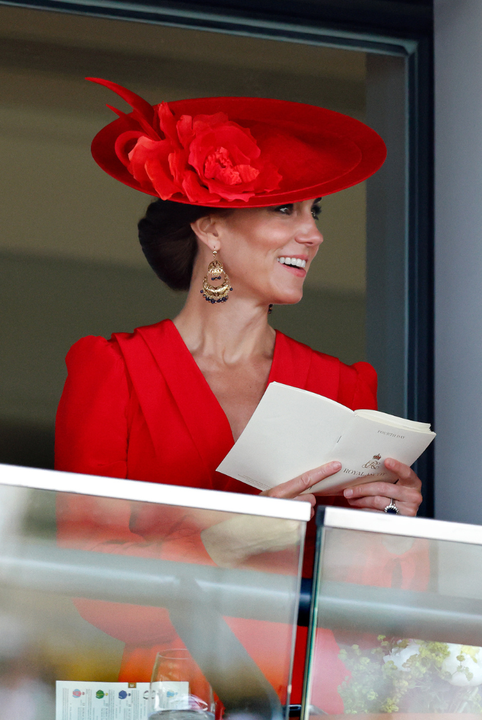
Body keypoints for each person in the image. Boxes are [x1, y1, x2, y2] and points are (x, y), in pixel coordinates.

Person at [54, 78, 425, 712]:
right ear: (212, 229)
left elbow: (374, 614)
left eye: (315, 213)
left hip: (306, 693)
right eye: (286, 210)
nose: (313, 234)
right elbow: (91, 585)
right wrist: (231, 538)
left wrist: (388, 528)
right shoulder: (113, 369)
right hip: (167, 690)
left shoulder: (343, 385)